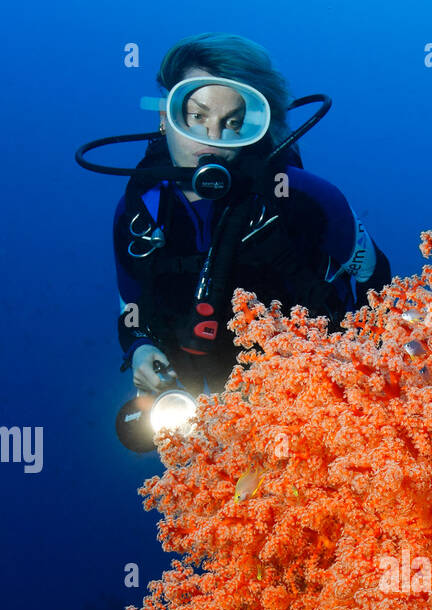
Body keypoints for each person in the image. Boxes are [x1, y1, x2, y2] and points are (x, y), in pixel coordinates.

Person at [112, 33, 391, 401]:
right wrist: (140, 347)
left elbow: (376, 277)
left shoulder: (308, 198)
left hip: (320, 391)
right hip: (206, 398)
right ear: (167, 117)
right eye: (197, 116)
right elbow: (130, 305)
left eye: (233, 123)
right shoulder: (139, 212)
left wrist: (371, 373)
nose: (212, 139)